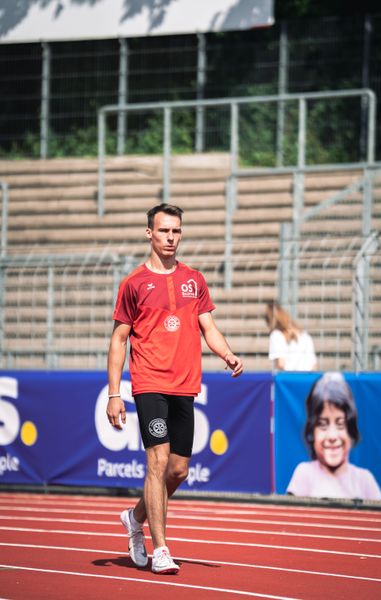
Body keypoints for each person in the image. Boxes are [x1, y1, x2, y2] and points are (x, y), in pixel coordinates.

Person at [106, 203, 243, 575]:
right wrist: (114, 392)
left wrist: (227, 354)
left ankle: (135, 518)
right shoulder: (133, 283)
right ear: (149, 233)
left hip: (186, 386)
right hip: (149, 383)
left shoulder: (194, 279)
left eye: (176, 231)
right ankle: (161, 548)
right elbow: (119, 341)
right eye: (164, 230)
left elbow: (208, 328)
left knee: (179, 471)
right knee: (158, 461)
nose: (171, 237)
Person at [287, 371, 381, 500]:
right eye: (323, 425)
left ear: (351, 429)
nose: (332, 436)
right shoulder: (304, 474)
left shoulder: (365, 480)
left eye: (340, 424)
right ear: (312, 431)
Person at [265, 301, 316, 371]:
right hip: (307, 378)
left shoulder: (276, 335)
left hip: (288, 379)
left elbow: (280, 363)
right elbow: (313, 364)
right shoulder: (305, 335)